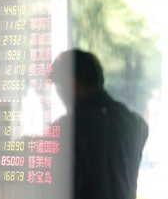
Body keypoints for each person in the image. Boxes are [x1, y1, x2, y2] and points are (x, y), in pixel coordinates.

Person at [50, 49, 148, 199]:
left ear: (72, 84)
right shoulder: (135, 123)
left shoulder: (66, 129)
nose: (59, 95)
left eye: (59, 87)